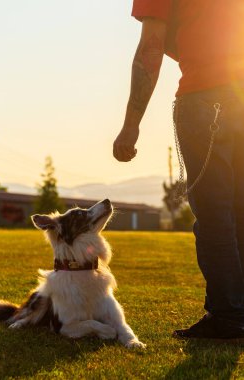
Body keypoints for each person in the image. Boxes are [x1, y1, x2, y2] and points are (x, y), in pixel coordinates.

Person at [113, 0, 244, 340]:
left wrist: (131, 125)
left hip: (205, 100)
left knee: (216, 216)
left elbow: (150, 49)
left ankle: (229, 318)